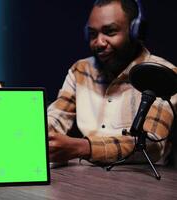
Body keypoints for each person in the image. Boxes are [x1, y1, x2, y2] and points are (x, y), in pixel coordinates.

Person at [47, 0, 177, 165]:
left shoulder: (163, 74)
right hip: (86, 177)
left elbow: (151, 144)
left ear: (135, 31)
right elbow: (56, 118)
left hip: (142, 183)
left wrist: (82, 147)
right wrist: (37, 132)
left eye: (110, 31)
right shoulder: (80, 70)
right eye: (93, 34)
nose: (99, 42)